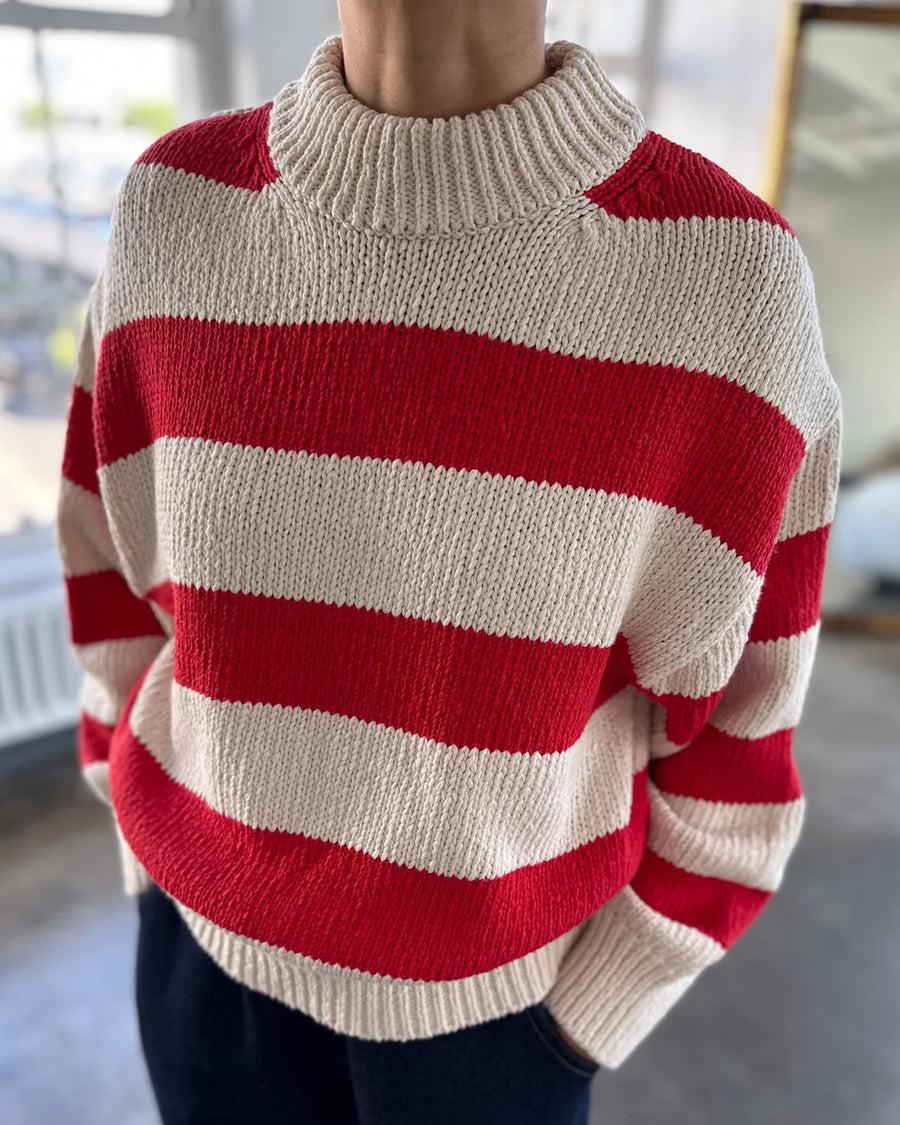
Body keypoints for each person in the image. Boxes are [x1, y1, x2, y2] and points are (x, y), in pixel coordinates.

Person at [54, 0, 842, 1122]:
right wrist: (152, 866)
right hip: (200, 977)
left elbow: (738, 747)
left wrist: (580, 1020)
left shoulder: (725, 287)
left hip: (494, 1034)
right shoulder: (177, 211)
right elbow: (110, 588)